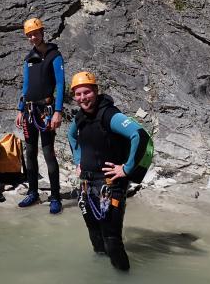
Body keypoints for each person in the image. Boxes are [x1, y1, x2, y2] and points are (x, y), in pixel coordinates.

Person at [67, 71, 152, 271]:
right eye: (78, 94)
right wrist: (78, 161)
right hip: (87, 184)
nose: (83, 98)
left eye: (86, 92)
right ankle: (101, 274)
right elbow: (71, 136)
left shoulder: (109, 115)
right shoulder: (79, 118)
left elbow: (139, 135)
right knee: (95, 235)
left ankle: (123, 276)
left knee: (112, 240)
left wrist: (127, 168)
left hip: (110, 184)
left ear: (95, 91)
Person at [14, 17, 65, 214]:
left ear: (42, 32)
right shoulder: (29, 58)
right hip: (29, 110)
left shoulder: (54, 55)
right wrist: (19, 109)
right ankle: (33, 192)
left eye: (35, 33)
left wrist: (58, 111)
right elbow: (25, 86)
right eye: (29, 35)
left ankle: (55, 196)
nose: (33, 37)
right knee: (29, 152)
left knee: (48, 152)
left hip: (46, 111)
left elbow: (60, 84)